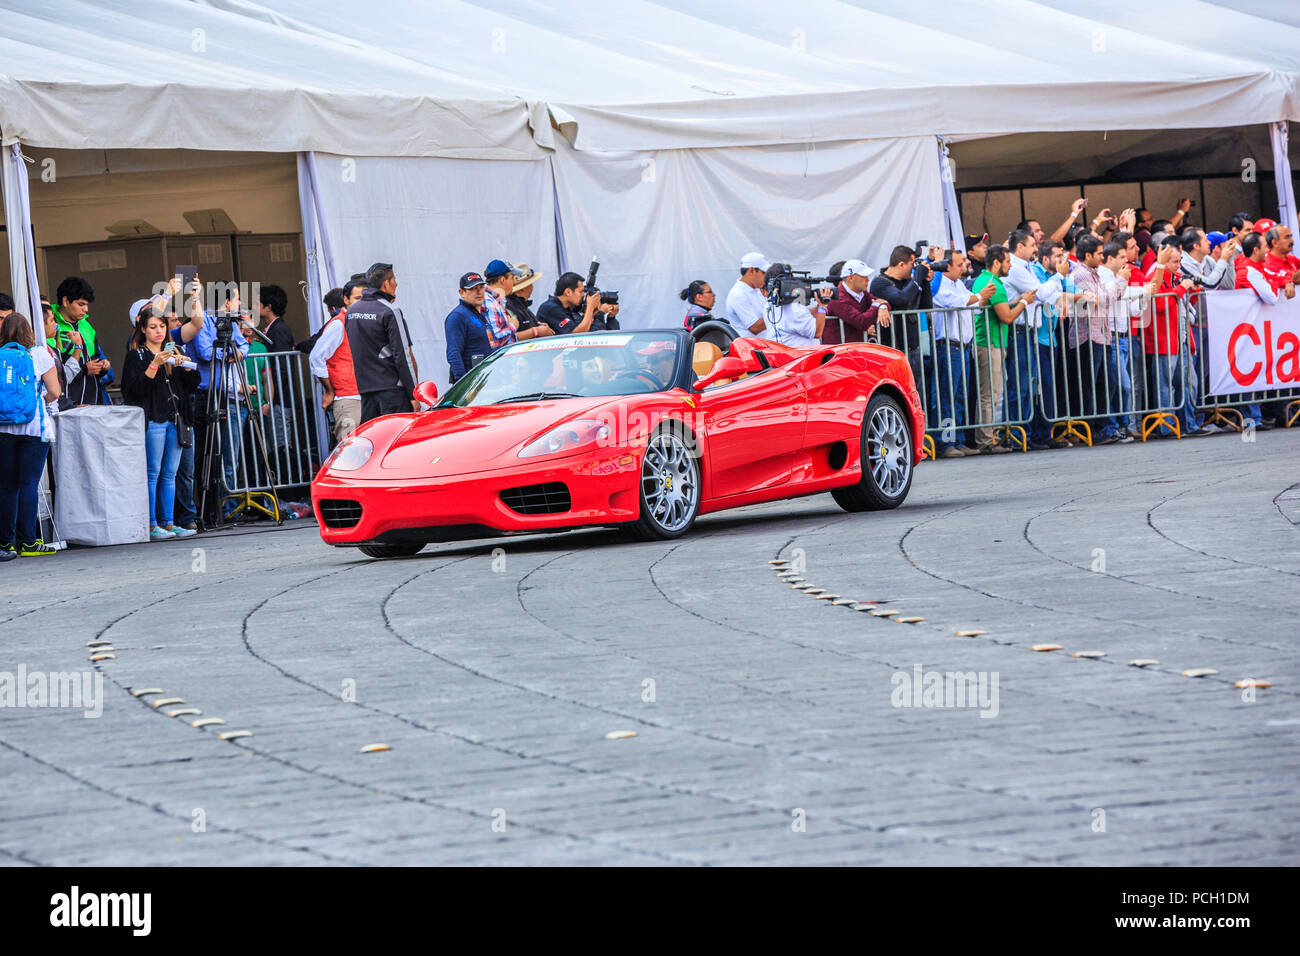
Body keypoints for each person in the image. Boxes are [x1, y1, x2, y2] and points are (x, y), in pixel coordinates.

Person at [121, 308, 200, 540]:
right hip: (154, 418)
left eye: (162, 327)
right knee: (152, 472)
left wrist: (186, 366)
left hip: (176, 418)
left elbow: (191, 384)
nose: (158, 331)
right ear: (143, 329)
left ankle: (168, 522)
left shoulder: (173, 350)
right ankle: (151, 523)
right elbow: (133, 391)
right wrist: (154, 365)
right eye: (153, 327)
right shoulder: (137, 355)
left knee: (170, 474)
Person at [0, 312, 63, 559]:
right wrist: (37, 401)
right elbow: (55, 392)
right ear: (29, 330)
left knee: (6, 485)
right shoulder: (39, 354)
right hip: (34, 427)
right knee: (28, 484)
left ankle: (6, 543)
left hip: (3, 427)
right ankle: (28, 542)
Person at [1003, 230, 1068, 437]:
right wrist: (1059, 275)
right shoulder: (1015, 267)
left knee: (1029, 385)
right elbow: (1039, 293)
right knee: (1020, 385)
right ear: (1020, 247)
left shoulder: (1026, 266)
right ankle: (1018, 434)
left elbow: (1044, 295)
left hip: (1028, 331)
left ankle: (1026, 433)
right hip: (1019, 331)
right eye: (1032, 245)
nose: (1035, 249)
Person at [931, 252, 995, 457]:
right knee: (947, 397)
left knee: (960, 398)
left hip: (963, 347)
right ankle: (945, 443)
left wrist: (982, 299)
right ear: (947, 267)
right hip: (949, 347)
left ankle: (957, 440)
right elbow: (954, 302)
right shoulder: (940, 285)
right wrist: (979, 296)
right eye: (959, 264)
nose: (963, 267)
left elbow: (972, 308)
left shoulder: (959, 284)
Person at [970, 244, 1033, 454]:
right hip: (990, 343)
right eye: (1007, 261)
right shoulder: (993, 283)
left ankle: (987, 438)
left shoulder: (987, 281)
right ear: (996, 262)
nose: (1009, 265)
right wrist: (1023, 302)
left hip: (991, 342)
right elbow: (1006, 317)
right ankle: (986, 440)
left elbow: (1001, 308)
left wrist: (1016, 301)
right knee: (990, 394)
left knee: (991, 393)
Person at [346, 262, 420, 422]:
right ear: (386, 284)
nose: (396, 284)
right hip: (393, 391)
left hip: (366, 390)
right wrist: (413, 393)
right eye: (394, 279)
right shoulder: (390, 311)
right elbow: (403, 355)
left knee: (374, 441)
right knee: (399, 440)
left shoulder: (351, 312)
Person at [310, 277, 366, 444]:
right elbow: (316, 357)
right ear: (346, 300)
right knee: (350, 454)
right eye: (357, 298)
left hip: (366, 396)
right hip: (349, 399)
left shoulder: (362, 322)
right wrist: (329, 390)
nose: (362, 303)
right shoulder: (339, 324)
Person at [869, 245, 932, 388]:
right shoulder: (880, 282)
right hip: (891, 350)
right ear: (901, 264)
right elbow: (902, 298)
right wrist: (918, 276)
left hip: (912, 348)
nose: (913, 268)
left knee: (916, 393)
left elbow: (926, 306)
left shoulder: (908, 282)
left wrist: (925, 281)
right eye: (912, 264)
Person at [50, 276, 113, 406]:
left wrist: (102, 366)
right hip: (67, 407)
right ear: (66, 301)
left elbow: (94, 358)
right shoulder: (51, 326)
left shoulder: (86, 326)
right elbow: (55, 373)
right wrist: (84, 370)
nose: (86, 310)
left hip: (93, 402)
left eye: (87, 305)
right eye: (81, 304)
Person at [760, 264, 827, 348]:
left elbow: (797, 316)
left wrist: (819, 306)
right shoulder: (794, 308)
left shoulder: (769, 304)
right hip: (804, 357)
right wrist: (822, 308)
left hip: (780, 355)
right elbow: (817, 333)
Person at [445, 272, 494, 384]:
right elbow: (454, 353)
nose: (478, 292)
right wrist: (463, 387)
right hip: (472, 384)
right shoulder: (457, 316)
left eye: (481, 287)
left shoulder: (482, 314)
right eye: (472, 289)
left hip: (486, 380)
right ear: (461, 292)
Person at [823, 260, 882, 344]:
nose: (868, 279)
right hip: (838, 351)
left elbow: (884, 302)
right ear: (850, 278)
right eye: (863, 276)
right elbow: (862, 322)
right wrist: (876, 305)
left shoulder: (862, 293)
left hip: (854, 349)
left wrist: (883, 307)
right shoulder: (837, 298)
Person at [537, 272, 602, 336]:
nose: (583, 295)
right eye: (580, 292)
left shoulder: (566, 307)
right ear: (568, 292)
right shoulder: (551, 308)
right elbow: (577, 335)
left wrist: (592, 313)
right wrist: (590, 307)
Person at [723, 252, 771, 338]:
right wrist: (778, 310)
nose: (767, 277)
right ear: (751, 271)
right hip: (751, 349)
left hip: (765, 345)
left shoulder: (756, 290)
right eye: (764, 273)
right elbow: (755, 327)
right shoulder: (738, 294)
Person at [503, 265, 554, 341]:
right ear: (522, 289)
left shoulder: (520, 305)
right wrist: (537, 331)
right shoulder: (509, 307)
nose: (532, 287)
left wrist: (539, 327)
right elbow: (506, 338)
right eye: (530, 284)